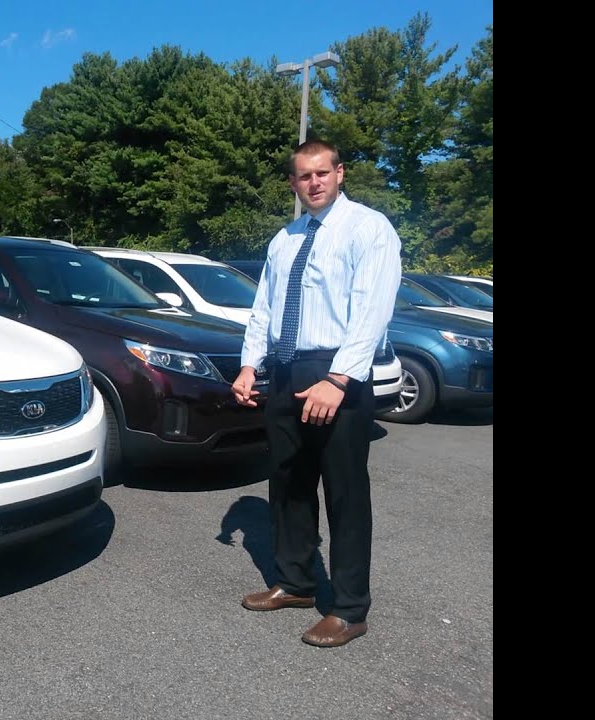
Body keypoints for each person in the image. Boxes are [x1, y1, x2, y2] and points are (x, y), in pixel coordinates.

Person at [231, 139, 401, 648]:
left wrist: (340, 378)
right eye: (304, 176)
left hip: (335, 373)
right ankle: (296, 582)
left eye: (322, 173)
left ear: (340, 173)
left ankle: (349, 608)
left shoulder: (368, 229)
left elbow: (373, 309)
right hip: (283, 371)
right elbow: (264, 307)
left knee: (345, 491)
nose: (314, 183)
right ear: (293, 182)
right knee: (287, 481)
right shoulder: (285, 239)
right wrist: (248, 364)